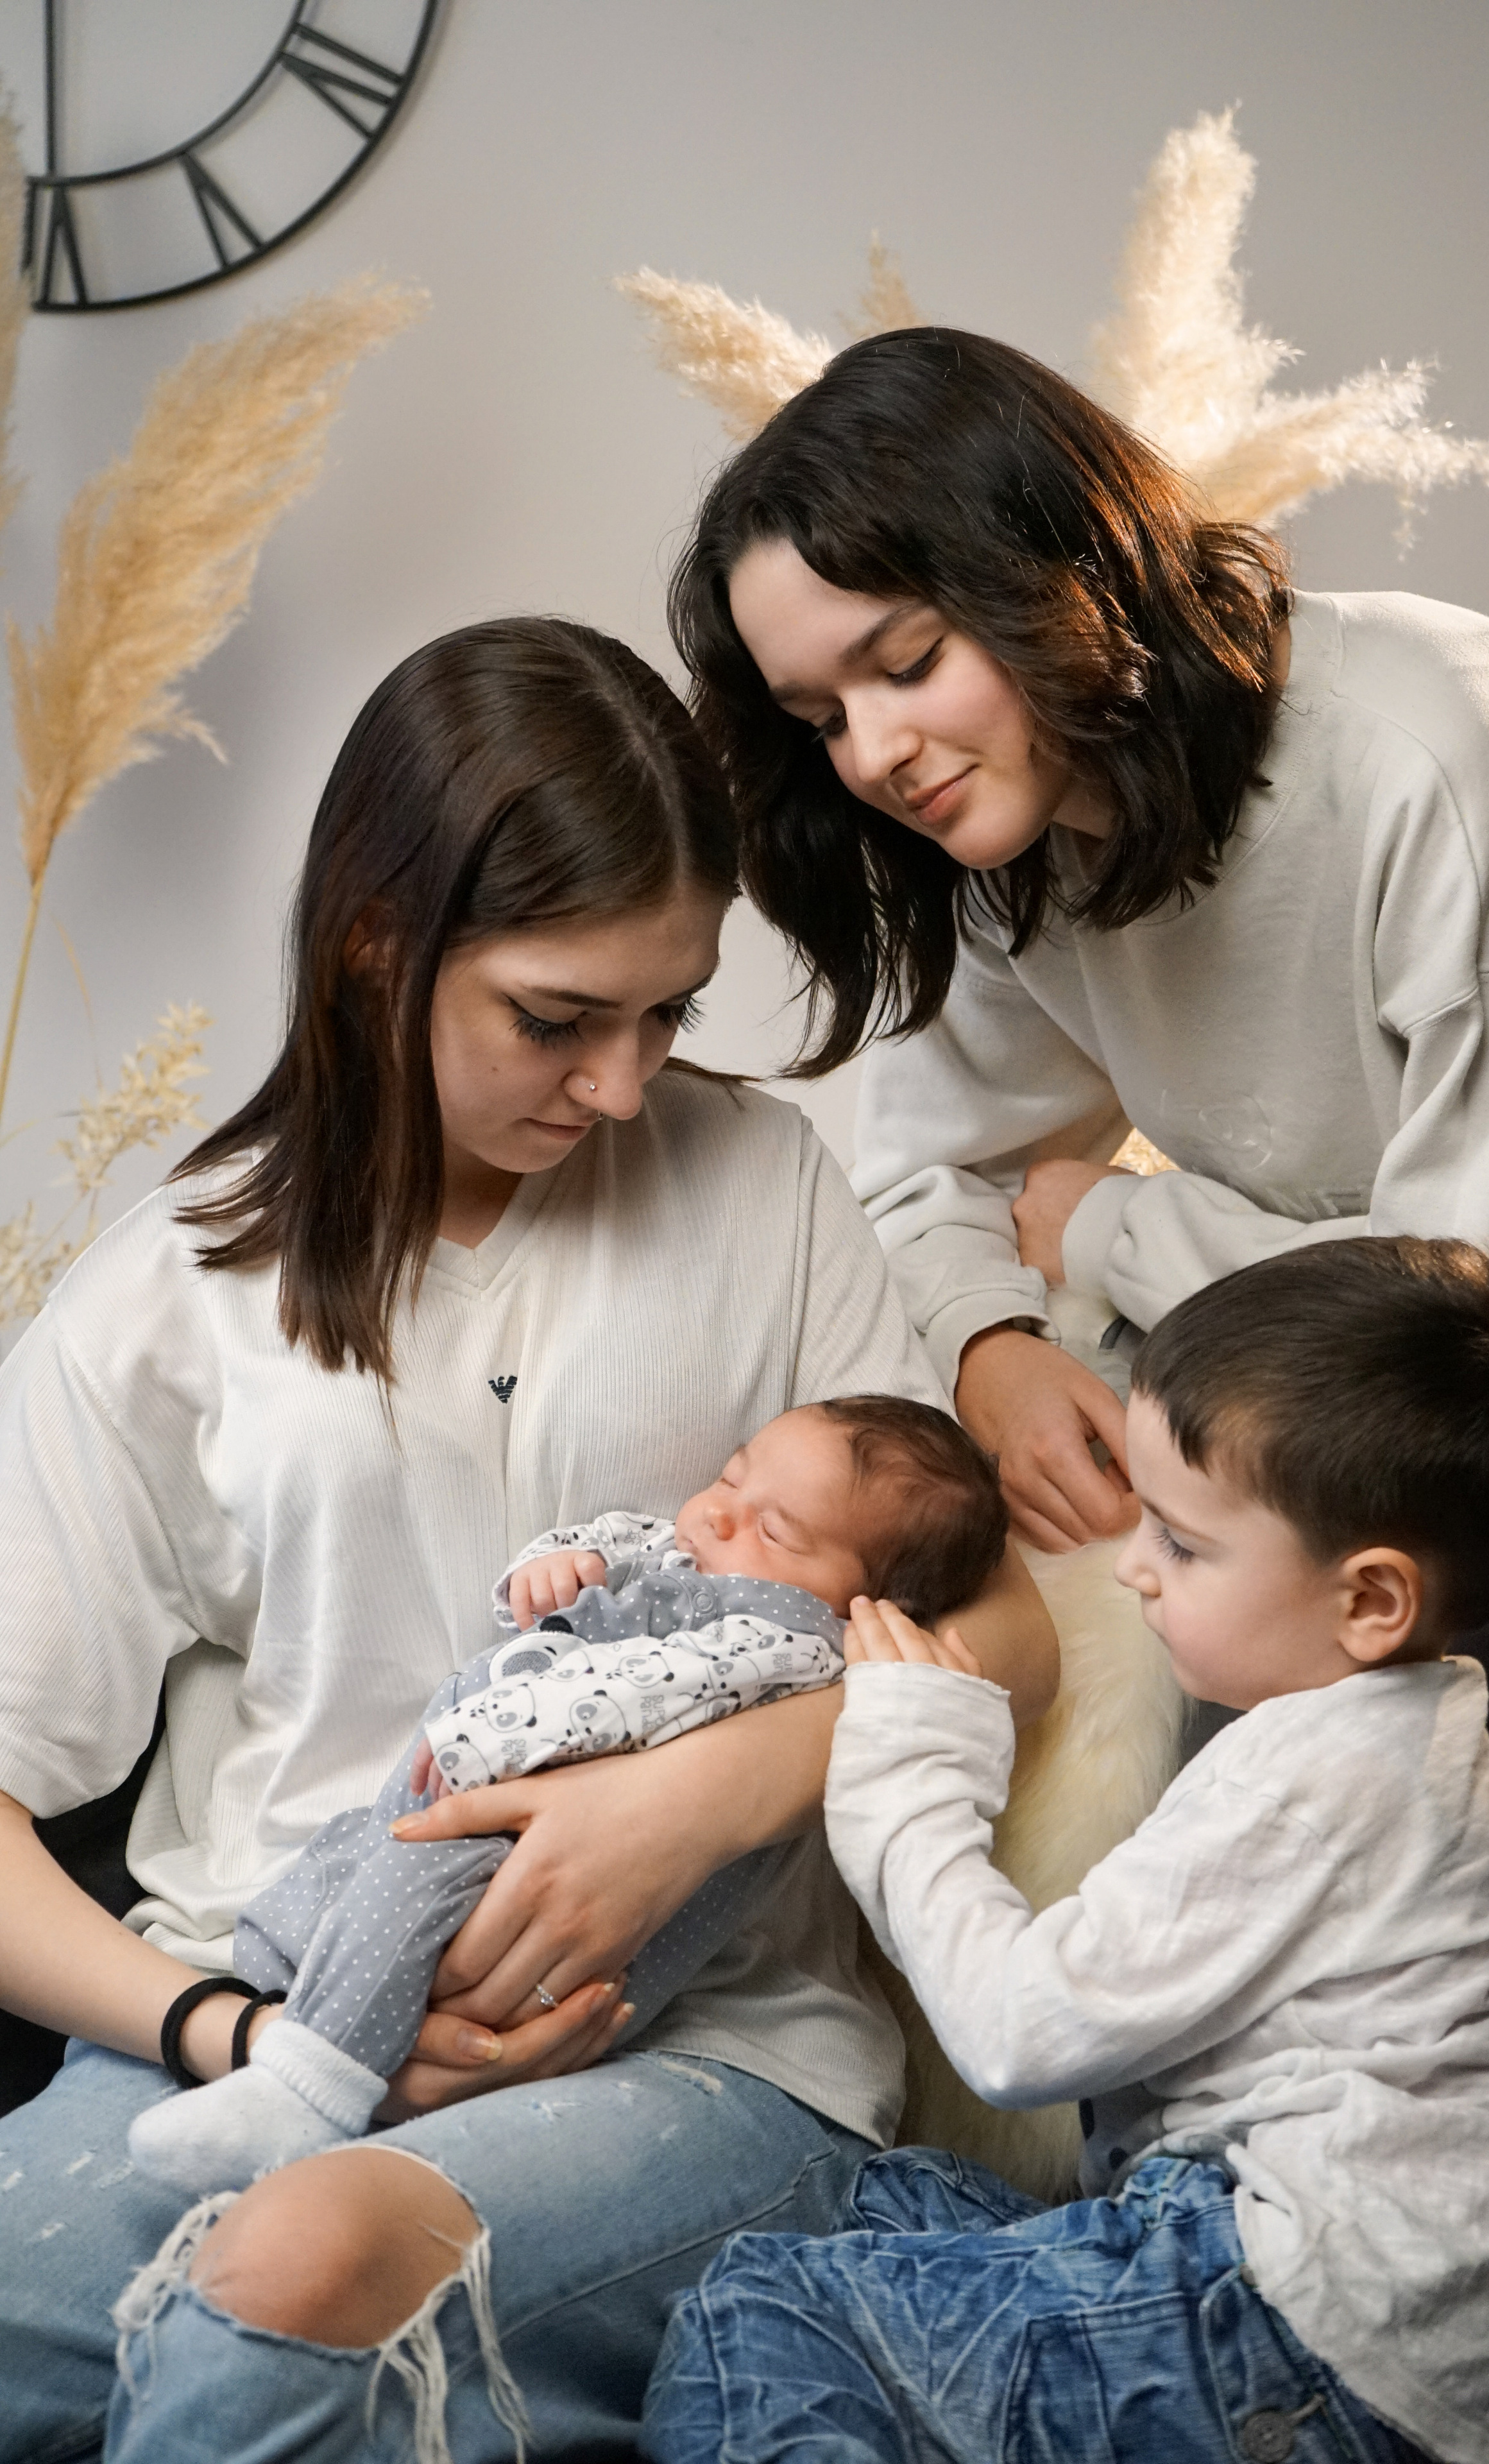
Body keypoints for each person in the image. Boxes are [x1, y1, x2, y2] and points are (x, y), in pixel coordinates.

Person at [0, 615, 1057, 2464]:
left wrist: (705, 1801)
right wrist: (233, 2040)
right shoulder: (161, 1297)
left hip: (716, 2048)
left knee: (288, 2293)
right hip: (258, 2025)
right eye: (560, 1021)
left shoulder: (764, 1188)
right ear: (375, 949)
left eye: (670, 1013)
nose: (626, 1085)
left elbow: (1009, 1634)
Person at [668, 324, 1489, 1552]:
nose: (872, 756)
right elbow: (926, 1186)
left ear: (1051, 569)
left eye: (908, 663)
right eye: (821, 720)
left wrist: (1108, 1228)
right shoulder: (1002, 819)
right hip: (1320, 1423)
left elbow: (1477, 1333)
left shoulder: (1443, 752)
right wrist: (991, 1352)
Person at [642, 1236, 1489, 2464]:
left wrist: (912, 1769)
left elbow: (1018, 2032)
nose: (1134, 1568)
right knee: (870, 2203)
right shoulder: (1397, 1739)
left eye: (1185, 1544)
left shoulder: (1313, 1785)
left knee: (758, 2316)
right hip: (1333, 2316)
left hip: (1303, 2335)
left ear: (1370, 1601)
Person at [126, 1396, 1007, 2194]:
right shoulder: (693, 1556)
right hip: (492, 1789)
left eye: (773, 1530)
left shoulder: (793, 1643)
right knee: (360, 1871)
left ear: (867, 1601)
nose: (716, 1511)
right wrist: (557, 1568)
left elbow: (646, 1692)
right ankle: (293, 1997)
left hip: (547, 1822)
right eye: (731, 1475)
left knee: (417, 1889)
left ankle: (306, 2087)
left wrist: (493, 1736)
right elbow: (605, 1558)